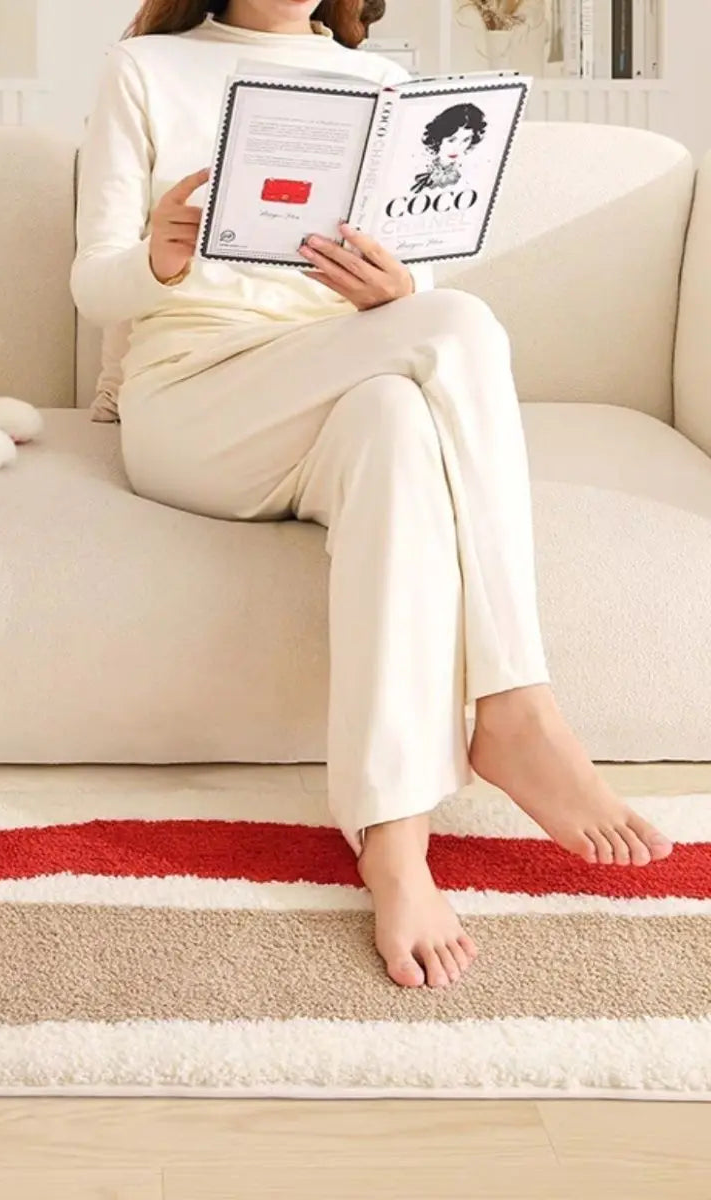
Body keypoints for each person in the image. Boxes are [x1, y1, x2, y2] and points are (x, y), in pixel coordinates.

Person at [70, 0, 674, 990]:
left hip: (340, 375)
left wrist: (393, 292)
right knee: (463, 329)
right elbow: (93, 283)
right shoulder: (147, 69)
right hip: (198, 399)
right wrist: (158, 256)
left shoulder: (384, 87)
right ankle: (517, 704)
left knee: (398, 415)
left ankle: (393, 844)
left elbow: (419, 292)